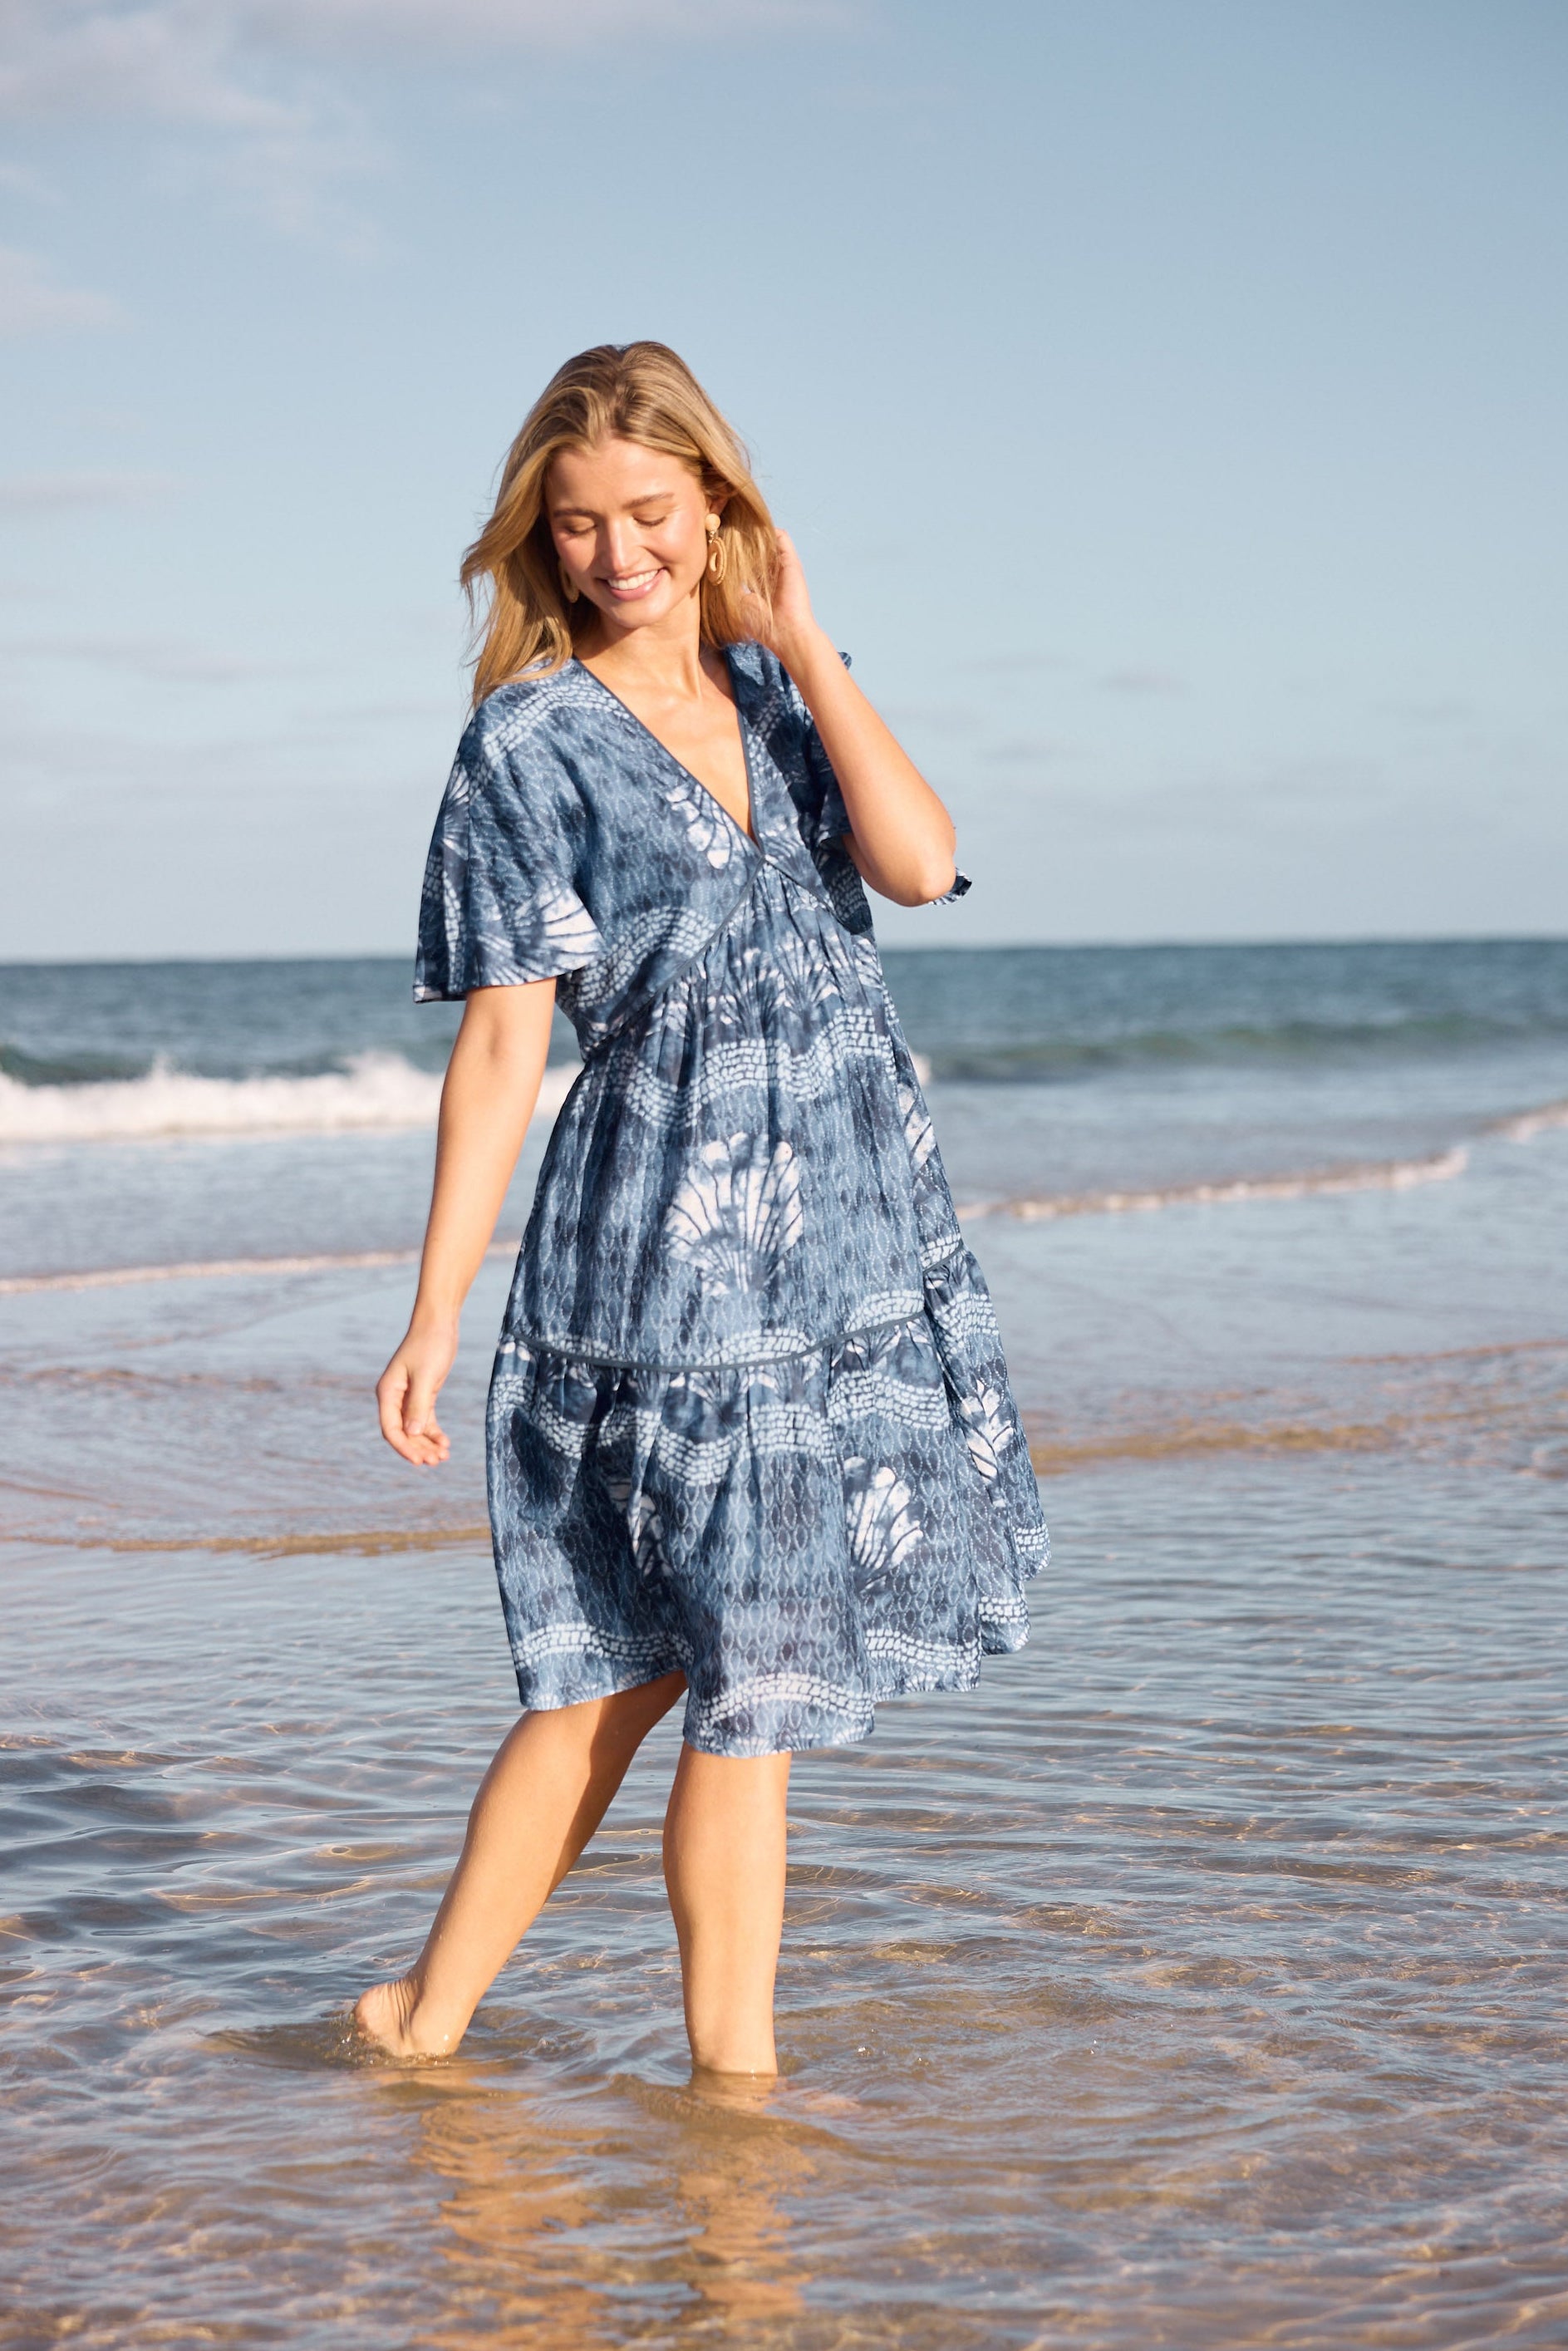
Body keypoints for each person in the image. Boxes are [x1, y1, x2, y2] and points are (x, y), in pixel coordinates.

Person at [354, 342, 1047, 2076]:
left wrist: (805, 640)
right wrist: (436, 1306)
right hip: (665, 1248)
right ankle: (726, 2081)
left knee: (680, 1671)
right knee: (702, 1671)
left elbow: (913, 858)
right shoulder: (526, 745)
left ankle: (434, 2021)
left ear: (719, 506)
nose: (614, 551)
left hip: (840, 1238)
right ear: (542, 537)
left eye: (648, 512)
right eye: (576, 523)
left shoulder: (782, 688)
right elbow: (508, 1038)